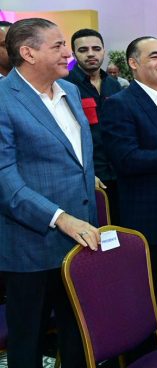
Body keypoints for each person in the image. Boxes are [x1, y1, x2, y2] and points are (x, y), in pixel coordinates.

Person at [0, 18, 100, 368]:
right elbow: (5, 181)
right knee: (29, 342)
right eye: (57, 46)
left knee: (79, 335)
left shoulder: (70, 90)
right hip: (31, 245)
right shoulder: (3, 100)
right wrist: (60, 218)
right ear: (28, 53)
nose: (67, 53)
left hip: (80, 239)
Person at [101, 36, 157, 344]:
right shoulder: (120, 104)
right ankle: (153, 355)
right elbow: (127, 160)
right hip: (151, 219)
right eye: (154, 56)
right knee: (154, 295)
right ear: (134, 63)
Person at [66, 28, 123, 224]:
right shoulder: (64, 86)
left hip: (119, 170)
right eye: (83, 50)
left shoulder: (114, 85)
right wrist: (88, 172)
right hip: (88, 175)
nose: (91, 54)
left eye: (96, 49)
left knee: (120, 227)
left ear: (104, 51)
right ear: (74, 54)